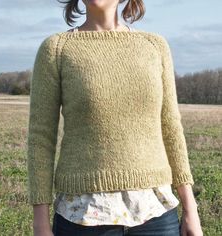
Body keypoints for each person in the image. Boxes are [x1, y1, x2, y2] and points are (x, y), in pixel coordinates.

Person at [26, 0, 203, 236]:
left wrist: (190, 207)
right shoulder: (57, 49)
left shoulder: (154, 46)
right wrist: (40, 220)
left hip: (155, 214)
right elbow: (41, 137)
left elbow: (170, 126)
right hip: (82, 215)